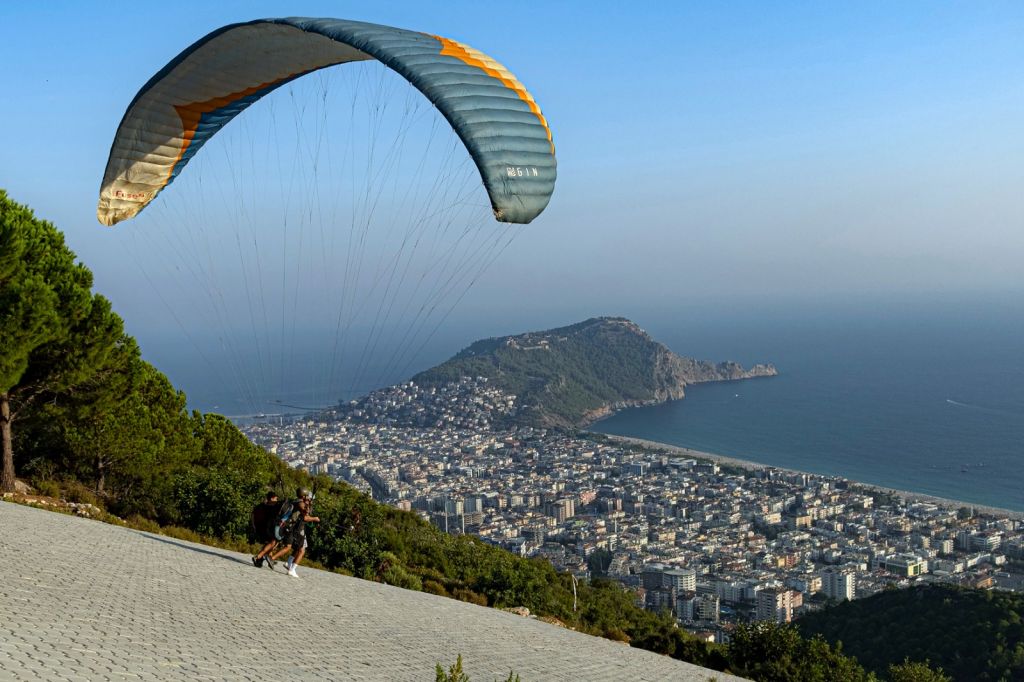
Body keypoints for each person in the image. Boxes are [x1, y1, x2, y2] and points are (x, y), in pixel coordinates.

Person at [270, 488, 320, 578]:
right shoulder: (301, 503)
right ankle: (292, 569)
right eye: (308, 498)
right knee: (301, 550)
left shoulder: (298, 502)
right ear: (304, 496)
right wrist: (315, 518)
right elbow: (305, 517)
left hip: (296, 528)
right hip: (298, 529)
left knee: (297, 548)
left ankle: (288, 563)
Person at [251, 491, 282, 569]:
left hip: (258, 528)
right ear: (271, 498)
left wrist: (253, 526)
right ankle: (259, 557)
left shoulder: (260, 506)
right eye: (276, 499)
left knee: (271, 543)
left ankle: (265, 559)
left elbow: (252, 515)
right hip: (266, 529)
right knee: (274, 541)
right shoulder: (271, 507)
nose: (276, 500)